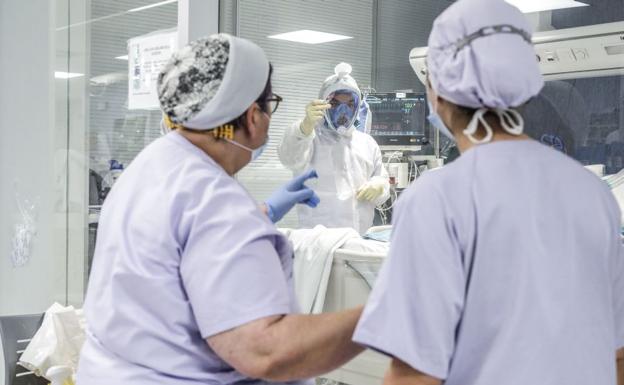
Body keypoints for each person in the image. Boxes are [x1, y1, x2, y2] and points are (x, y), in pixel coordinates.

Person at [352, 1, 624, 384]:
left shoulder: (437, 198)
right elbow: (617, 355)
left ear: (438, 91)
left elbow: (414, 374)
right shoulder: (593, 193)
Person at [76, 34, 365, 385]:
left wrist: (261, 214)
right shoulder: (216, 202)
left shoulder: (148, 166)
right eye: (269, 103)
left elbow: (177, 246)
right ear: (253, 116)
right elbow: (264, 351)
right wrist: (381, 315)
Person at [278, 63, 389, 234]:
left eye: (350, 104)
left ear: (358, 106)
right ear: (323, 104)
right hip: (317, 244)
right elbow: (289, 158)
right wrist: (305, 126)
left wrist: (379, 186)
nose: (343, 112)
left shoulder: (367, 143)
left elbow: (382, 182)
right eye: (335, 104)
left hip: (357, 243)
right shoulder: (309, 137)